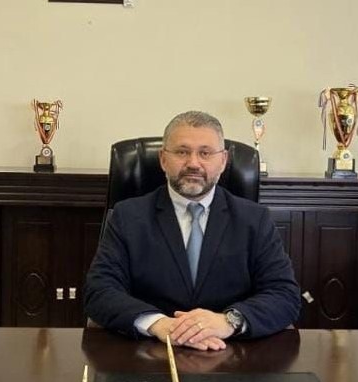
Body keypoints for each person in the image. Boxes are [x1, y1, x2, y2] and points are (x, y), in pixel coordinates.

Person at [84, 111, 301, 351]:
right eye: (182, 152)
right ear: (163, 159)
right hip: (149, 351)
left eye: (205, 153)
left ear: (223, 161)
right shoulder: (128, 217)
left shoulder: (254, 219)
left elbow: (284, 294)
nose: (193, 163)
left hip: (231, 353)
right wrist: (157, 323)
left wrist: (229, 321)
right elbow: (99, 291)